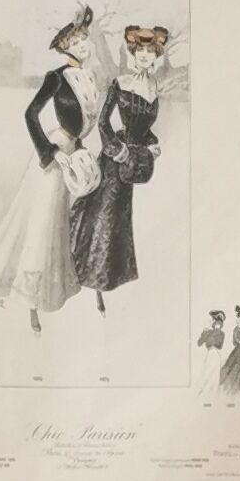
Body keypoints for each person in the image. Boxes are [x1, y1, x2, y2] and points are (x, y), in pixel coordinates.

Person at [0, 7, 106, 332]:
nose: (83, 44)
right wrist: (50, 151)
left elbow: (86, 121)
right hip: (55, 158)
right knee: (41, 226)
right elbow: (30, 115)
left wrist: (82, 153)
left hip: (77, 154)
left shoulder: (90, 77)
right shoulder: (56, 77)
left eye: (85, 38)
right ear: (64, 47)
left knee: (69, 224)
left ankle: (65, 289)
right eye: (75, 40)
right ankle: (30, 303)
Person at [70, 24, 169, 309]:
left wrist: (153, 144)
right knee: (100, 217)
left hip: (135, 165)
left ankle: (106, 281)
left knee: (119, 224)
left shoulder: (154, 87)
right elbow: (103, 124)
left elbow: (145, 129)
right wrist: (119, 151)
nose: (145, 56)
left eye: (151, 52)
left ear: (156, 55)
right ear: (133, 52)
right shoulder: (120, 82)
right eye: (141, 51)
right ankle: (87, 280)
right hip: (115, 162)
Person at [195, 303, 228, 403]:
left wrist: (210, 334)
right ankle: (204, 399)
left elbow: (219, 345)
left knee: (214, 379)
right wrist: (204, 332)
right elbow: (199, 343)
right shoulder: (208, 331)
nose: (212, 322)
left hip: (215, 354)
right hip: (209, 355)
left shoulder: (221, 333)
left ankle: (213, 400)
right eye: (213, 321)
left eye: (214, 321)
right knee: (206, 377)